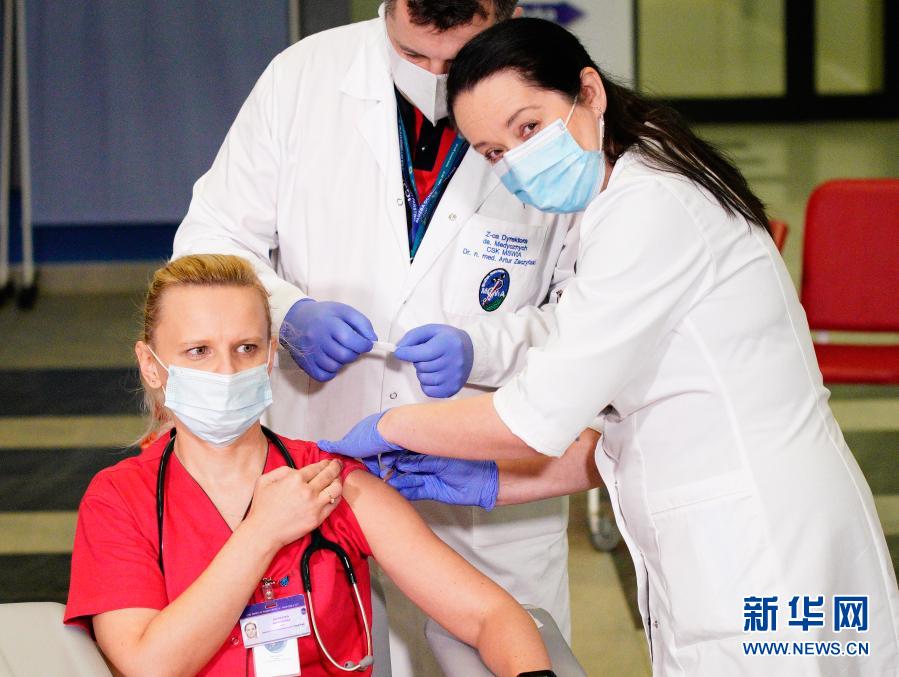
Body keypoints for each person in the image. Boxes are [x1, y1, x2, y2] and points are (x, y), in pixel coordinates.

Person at [319, 18, 899, 676]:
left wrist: (389, 426)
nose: (516, 162)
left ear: (588, 91)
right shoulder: (626, 187)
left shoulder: (649, 206)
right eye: (492, 152)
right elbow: (621, 390)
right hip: (731, 535)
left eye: (528, 128)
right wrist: (495, 481)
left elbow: (536, 414)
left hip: (762, 545)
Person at [172, 2, 583, 672]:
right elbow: (209, 239)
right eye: (414, 55)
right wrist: (285, 313)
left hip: (488, 476)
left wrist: (485, 348)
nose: (435, 78)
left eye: (460, 57)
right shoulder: (304, 77)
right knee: (325, 647)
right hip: (320, 454)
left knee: (508, 641)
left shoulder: (555, 106)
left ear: (509, 14)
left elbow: (592, 311)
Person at [64, 254, 556, 677]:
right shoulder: (120, 500)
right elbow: (149, 665)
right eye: (198, 351)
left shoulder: (329, 479)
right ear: (151, 365)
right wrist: (262, 532)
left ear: (270, 357)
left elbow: (490, 615)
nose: (227, 371)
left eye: (246, 348)